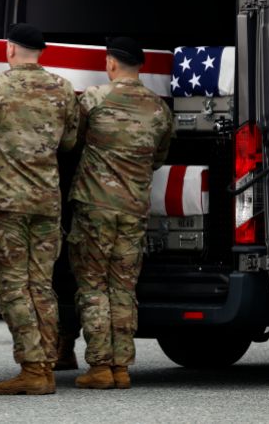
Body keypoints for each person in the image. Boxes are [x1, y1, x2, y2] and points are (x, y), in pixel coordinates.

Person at [0, 23, 79, 395]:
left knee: (14, 288)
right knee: (41, 286)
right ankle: (45, 364)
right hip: (47, 201)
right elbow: (69, 142)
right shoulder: (63, 88)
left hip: (7, 204)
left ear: (11, 50)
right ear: (41, 52)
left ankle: (33, 369)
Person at [67, 37, 173, 390]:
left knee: (93, 285)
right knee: (124, 287)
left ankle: (100, 366)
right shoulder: (158, 108)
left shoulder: (95, 98)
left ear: (110, 63)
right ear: (140, 66)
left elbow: (72, 141)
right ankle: (122, 367)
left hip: (95, 208)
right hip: (134, 209)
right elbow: (159, 157)